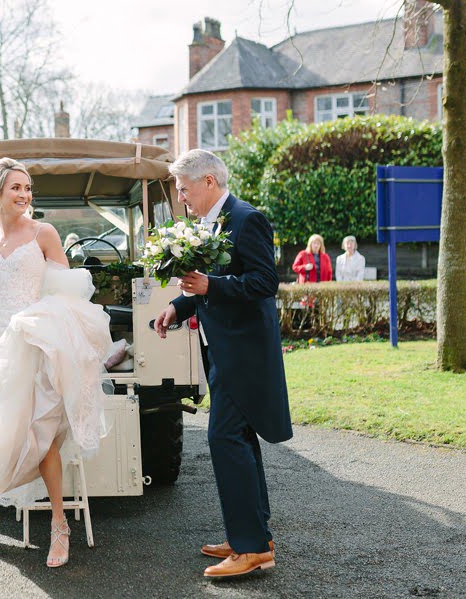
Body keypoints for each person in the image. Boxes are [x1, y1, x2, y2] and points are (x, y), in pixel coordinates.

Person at [0, 158, 110, 568]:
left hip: (31, 339)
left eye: (28, 188)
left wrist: (42, 323)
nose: (25, 194)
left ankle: (60, 526)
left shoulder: (44, 233)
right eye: (17, 187)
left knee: (41, 429)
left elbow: (65, 289)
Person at [153, 149, 292, 579]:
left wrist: (211, 283)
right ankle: (254, 537)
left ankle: (250, 548)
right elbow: (206, 287)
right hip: (220, 350)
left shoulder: (247, 218)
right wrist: (178, 305)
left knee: (224, 437)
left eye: (184, 188)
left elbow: (265, 282)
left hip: (243, 353)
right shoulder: (207, 225)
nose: (181, 197)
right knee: (240, 438)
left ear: (208, 182)